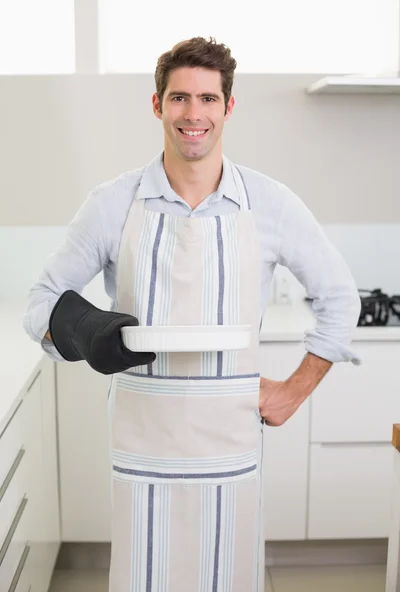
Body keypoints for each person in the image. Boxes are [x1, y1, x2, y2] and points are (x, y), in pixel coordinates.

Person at [23, 36, 361, 592]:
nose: (193, 113)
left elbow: (341, 299)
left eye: (207, 98)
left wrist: (294, 390)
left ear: (228, 107)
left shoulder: (270, 203)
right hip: (141, 450)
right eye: (180, 98)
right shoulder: (113, 204)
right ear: (157, 105)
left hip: (230, 451)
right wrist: (86, 331)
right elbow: (42, 303)